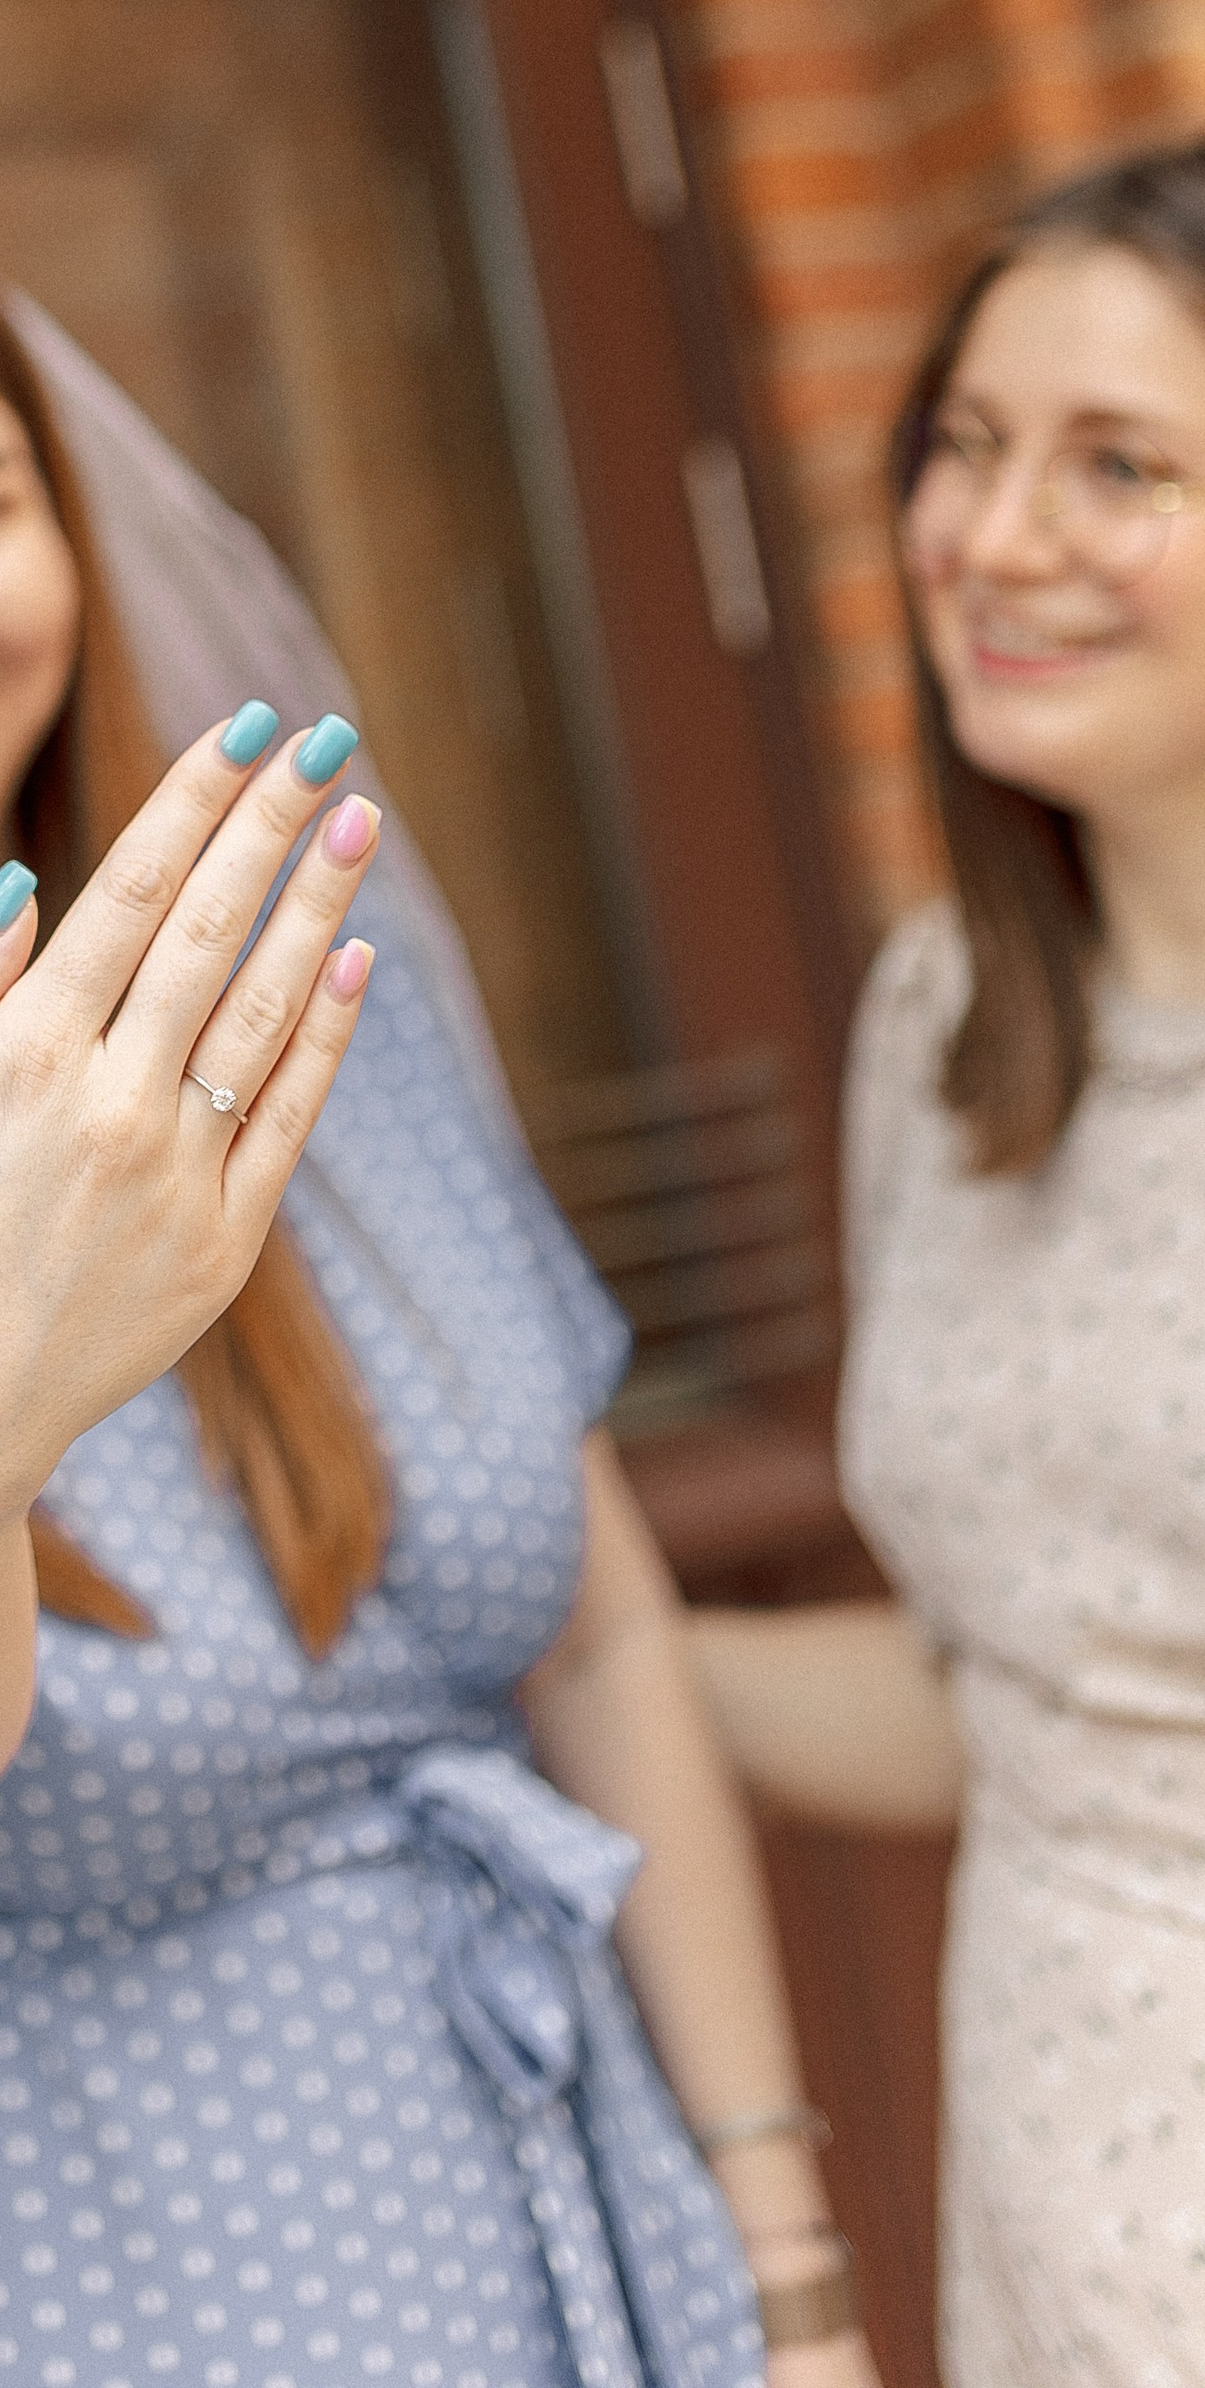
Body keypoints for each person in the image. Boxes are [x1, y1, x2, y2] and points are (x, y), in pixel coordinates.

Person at [0, 208, 873, 2388]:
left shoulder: (316, 1017)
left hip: (568, 2194)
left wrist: (783, 2266)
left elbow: (602, 1634)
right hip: (76, 2265)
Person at [690, 138, 1205, 2388]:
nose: (993, 540)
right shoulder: (946, 1027)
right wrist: (588, 1655)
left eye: (1118, 466)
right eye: (965, 449)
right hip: (1065, 2238)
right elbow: (1020, 1693)